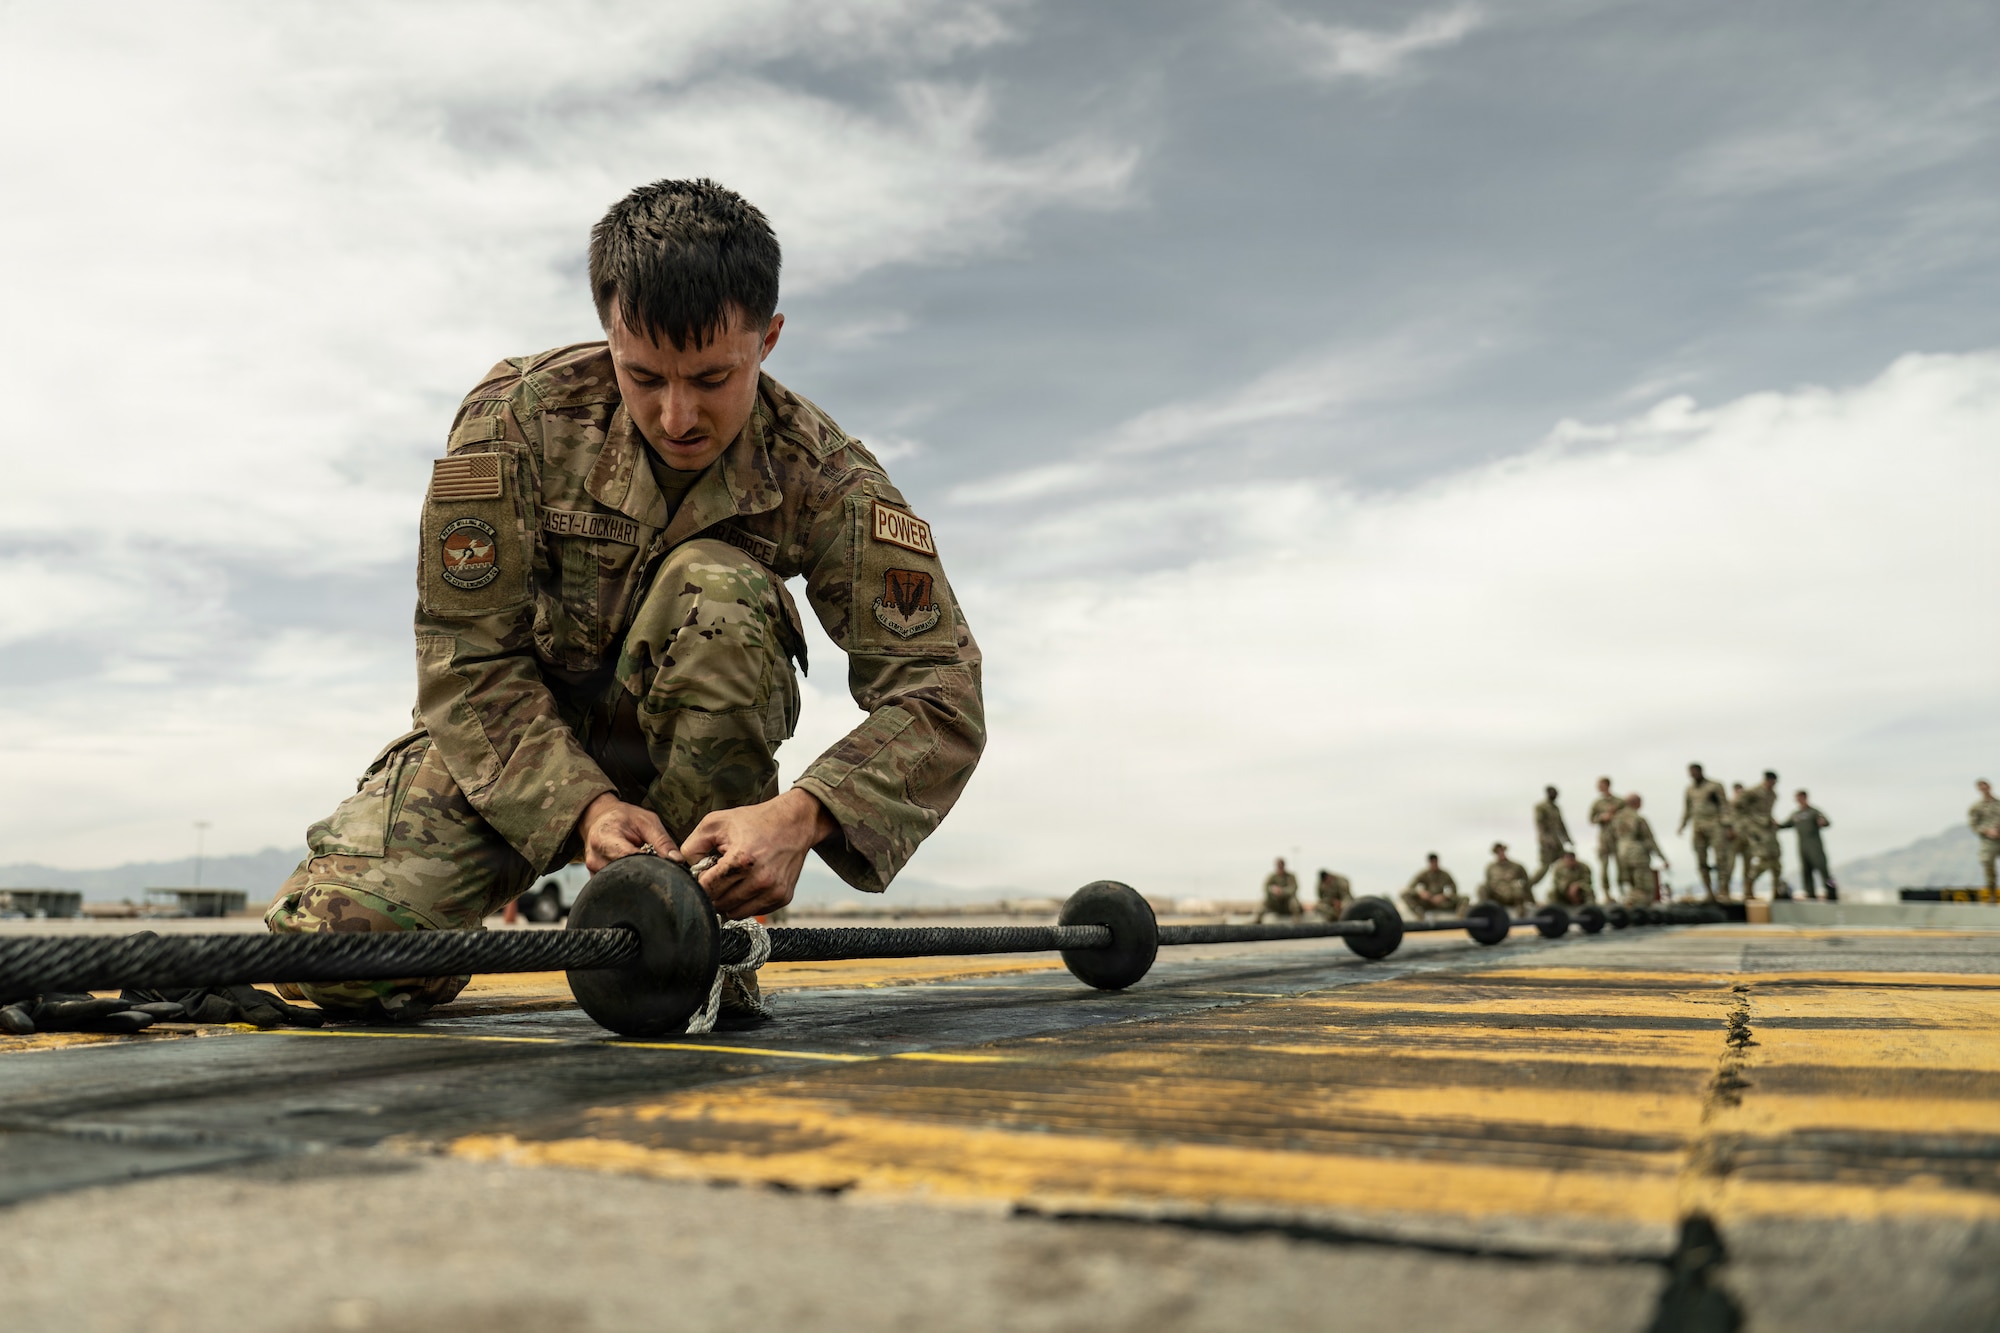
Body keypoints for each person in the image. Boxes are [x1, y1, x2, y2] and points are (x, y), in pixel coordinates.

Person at [262, 179, 986, 1023]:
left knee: (717, 589)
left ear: (770, 339)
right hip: (515, 745)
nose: (676, 414)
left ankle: (697, 944)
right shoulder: (518, 419)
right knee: (337, 954)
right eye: (643, 375)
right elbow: (466, 658)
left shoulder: (824, 476)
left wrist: (801, 816)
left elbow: (942, 692)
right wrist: (585, 808)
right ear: (608, 333)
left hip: (697, 780)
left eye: (713, 377)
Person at [1678, 763, 1728, 900]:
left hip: (1714, 824)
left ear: (1700, 771)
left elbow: (1724, 805)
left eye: (1694, 772)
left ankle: (1723, 890)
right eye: (1690, 772)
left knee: (1721, 858)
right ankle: (1709, 892)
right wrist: (1682, 825)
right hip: (1698, 826)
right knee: (1701, 860)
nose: (1692, 775)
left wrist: (1727, 825)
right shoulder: (1689, 789)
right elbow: (1687, 809)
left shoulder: (1714, 786)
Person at [1777, 791, 1837, 900]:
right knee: (1806, 871)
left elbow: (1827, 822)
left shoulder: (1814, 812)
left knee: (1824, 870)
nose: (1799, 801)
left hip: (1815, 845)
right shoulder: (1796, 814)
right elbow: (1784, 825)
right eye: (1797, 799)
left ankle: (1832, 891)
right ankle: (1810, 893)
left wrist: (1822, 822)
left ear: (1805, 798)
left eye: (1800, 798)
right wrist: (1775, 824)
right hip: (1802, 846)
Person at [1612, 793, 1668, 907]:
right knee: (1645, 886)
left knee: (1631, 884)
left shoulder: (1616, 819)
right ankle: (1640, 910)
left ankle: (1630, 906)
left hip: (1622, 853)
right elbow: (1650, 840)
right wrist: (1663, 858)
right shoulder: (1638, 819)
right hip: (1637, 854)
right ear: (1637, 803)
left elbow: (1611, 838)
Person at [1741, 771, 1783, 901]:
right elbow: (1739, 805)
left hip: (1769, 830)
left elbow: (1767, 812)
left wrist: (1771, 819)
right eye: (1771, 782)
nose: (1773, 785)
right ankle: (1748, 887)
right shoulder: (1753, 792)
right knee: (1763, 859)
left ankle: (1776, 891)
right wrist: (1749, 822)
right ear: (1766, 780)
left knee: (1776, 857)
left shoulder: (1773, 795)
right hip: (1756, 830)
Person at [1525, 786, 1573, 889]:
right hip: (1546, 842)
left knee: (1564, 865)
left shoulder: (1556, 808)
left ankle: (1561, 890)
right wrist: (1547, 839)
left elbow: (1561, 824)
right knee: (1545, 867)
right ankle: (1527, 886)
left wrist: (1567, 838)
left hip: (1557, 842)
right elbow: (1540, 824)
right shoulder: (1541, 807)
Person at [1588, 778, 1624, 897]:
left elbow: (1627, 816)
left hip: (1618, 837)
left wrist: (1615, 816)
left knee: (1621, 864)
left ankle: (1622, 890)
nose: (1599, 788)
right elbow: (1591, 819)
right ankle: (1606, 892)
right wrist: (1601, 817)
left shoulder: (1619, 801)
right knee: (1604, 865)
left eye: (1601, 785)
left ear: (1607, 785)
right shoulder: (1597, 803)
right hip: (1604, 838)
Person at [1402, 854, 1464, 920]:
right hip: (1427, 902)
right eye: (1432, 862)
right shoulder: (1423, 874)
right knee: (1404, 894)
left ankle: (1459, 919)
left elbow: (1454, 889)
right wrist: (1420, 893)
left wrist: (1444, 896)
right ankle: (1419, 915)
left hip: (1442, 902)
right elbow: (1410, 887)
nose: (1434, 864)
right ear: (1429, 863)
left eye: (1435, 862)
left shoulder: (1444, 874)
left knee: (1465, 898)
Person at [1478, 842, 1535, 911]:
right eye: (1497, 852)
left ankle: (1520, 910)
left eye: (1501, 850)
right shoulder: (1490, 867)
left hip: (1511, 896)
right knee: (1481, 887)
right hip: (1496, 896)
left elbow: (1527, 884)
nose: (1500, 853)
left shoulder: (1517, 866)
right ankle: (1484, 910)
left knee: (1517, 885)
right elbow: (1488, 883)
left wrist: (1532, 901)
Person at [1971, 780, 2000, 891]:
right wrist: (1987, 831)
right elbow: (1974, 825)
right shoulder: (1976, 807)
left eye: (1986, 786)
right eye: (1981, 788)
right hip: (1989, 841)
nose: (1984, 789)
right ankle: (1991, 892)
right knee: (1988, 864)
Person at [1255, 858, 1302, 923]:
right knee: (1263, 903)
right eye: (1278, 865)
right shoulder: (1272, 877)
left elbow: (1294, 888)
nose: (1280, 867)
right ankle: (1257, 921)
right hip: (1276, 903)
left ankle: (1297, 922)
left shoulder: (1290, 876)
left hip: (1287, 904)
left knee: (1294, 902)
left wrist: (1282, 891)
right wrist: (1273, 890)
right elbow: (1266, 887)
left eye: (1281, 865)